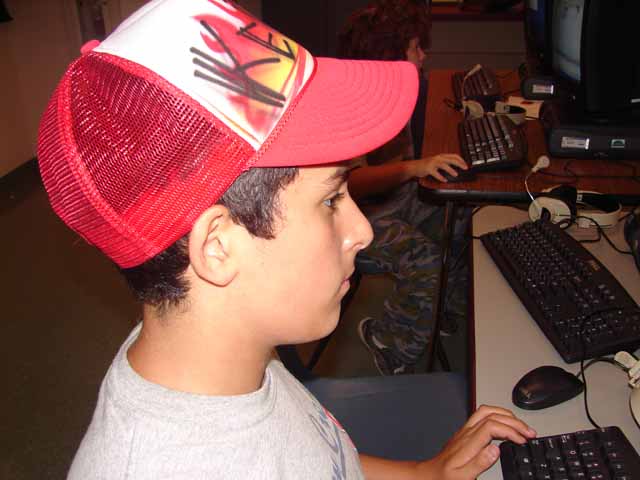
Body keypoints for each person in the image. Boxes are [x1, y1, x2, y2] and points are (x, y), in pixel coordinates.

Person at [37, 0, 535, 478]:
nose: (362, 231)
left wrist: (426, 474)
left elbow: (322, 459)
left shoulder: (223, 352)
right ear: (217, 247)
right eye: (331, 200)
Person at [338, 0, 471, 375]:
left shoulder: (394, 92)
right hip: (355, 221)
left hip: (397, 202)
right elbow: (353, 182)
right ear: (389, 56)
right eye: (415, 48)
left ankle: (439, 309)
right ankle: (388, 341)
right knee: (424, 259)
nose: (423, 55)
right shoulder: (352, 107)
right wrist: (416, 168)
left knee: (461, 216)